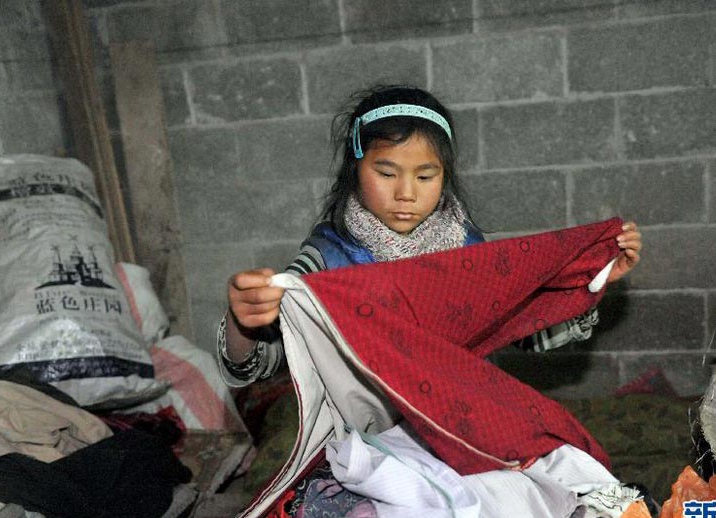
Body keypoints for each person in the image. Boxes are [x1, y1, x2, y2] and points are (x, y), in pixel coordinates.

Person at [217, 85, 642, 386]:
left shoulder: (472, 252)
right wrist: (244, 322)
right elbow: (261, 362)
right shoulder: (328, 259)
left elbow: (528, 333)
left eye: (425, 175)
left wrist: (595, 276)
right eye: (386, 173)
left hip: (462, 426)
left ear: (445, 176)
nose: (406, 193)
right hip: (369, 441)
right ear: (355, 170)